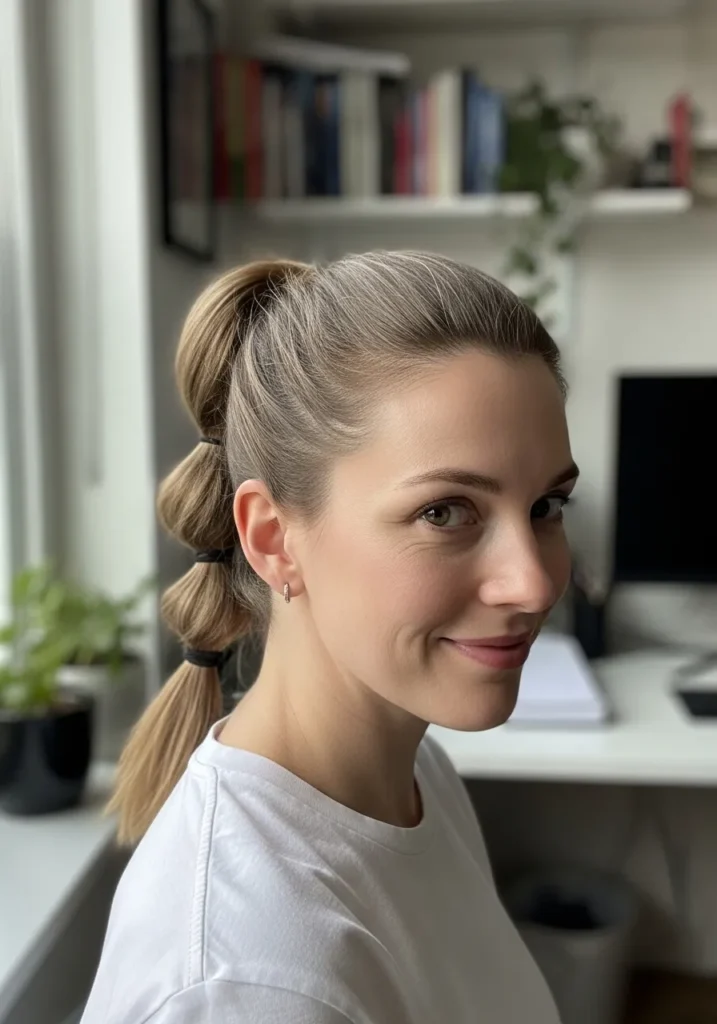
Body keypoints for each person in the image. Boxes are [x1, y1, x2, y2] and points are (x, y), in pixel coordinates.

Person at [81, 252, 578, 1024]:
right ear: (275, 538)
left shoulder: (418, 777)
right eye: (444, 511)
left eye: (547, 506)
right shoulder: (249, 983)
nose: (535, 584)